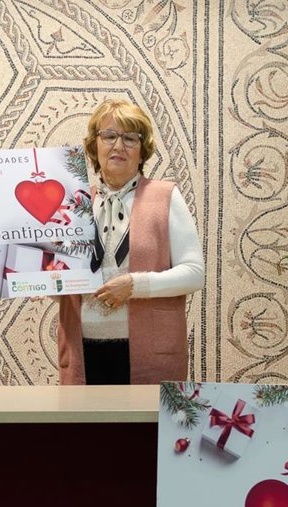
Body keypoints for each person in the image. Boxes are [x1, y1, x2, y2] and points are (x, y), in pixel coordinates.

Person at [57, 99, 206, 385]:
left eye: (130, 138)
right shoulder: (75, 204)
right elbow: (66, 282)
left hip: (150, 355)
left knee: (143, 418)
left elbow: (194, 273)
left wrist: (134, 285)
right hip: (82, 354)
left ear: (142, 151)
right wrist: (43, 282)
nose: (118, 145)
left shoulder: (166, 196)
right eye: (109, 136)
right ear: (94, 147)